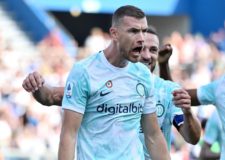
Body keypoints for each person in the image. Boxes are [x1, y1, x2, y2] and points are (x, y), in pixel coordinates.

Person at [23, 5, 183, 160]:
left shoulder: (143, 75)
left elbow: (153, 135)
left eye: (144, 31)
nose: (141, 38)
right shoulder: (84, 71)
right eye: (134, 31)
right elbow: (69, 135)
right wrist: (37, 88)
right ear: (114, 34)